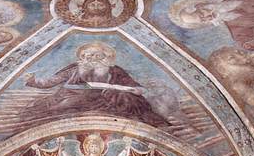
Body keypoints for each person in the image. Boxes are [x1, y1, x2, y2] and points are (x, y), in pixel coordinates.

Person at [23, 42, 168, 129]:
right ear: (82, 57)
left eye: (97, 55)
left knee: (128, 99)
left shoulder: (114, 70)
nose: (93, 58)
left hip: (104, 97)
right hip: (74, 95)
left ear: (105, 57)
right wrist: (33, 81)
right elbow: (51, 81)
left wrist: (138, 89)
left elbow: (130, 84)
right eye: (88, 56)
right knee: (61, 107)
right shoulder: (74, 69)